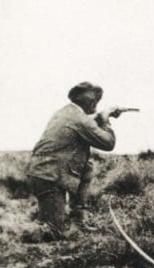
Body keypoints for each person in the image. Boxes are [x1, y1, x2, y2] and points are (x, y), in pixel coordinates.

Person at [26, 82, 121, 239]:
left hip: (44, 174)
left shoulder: (65, 113)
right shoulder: (80, 120)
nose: (97, 106)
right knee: (56, 232)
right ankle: (4, 231)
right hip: (49, 179)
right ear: (91, 102)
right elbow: (108, 143)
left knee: (87, 166)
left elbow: (85, 124)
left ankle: (77, 219)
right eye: (96, 102)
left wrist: (99, 117)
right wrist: (105, 119)